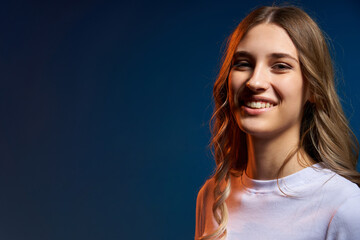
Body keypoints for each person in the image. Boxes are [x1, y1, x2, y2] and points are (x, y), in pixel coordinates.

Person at [195, 5, 360, 240]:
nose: (255, 82)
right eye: (243, 63)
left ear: (313, 88)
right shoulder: (212, 196)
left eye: (280, 66)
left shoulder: (345, 207)